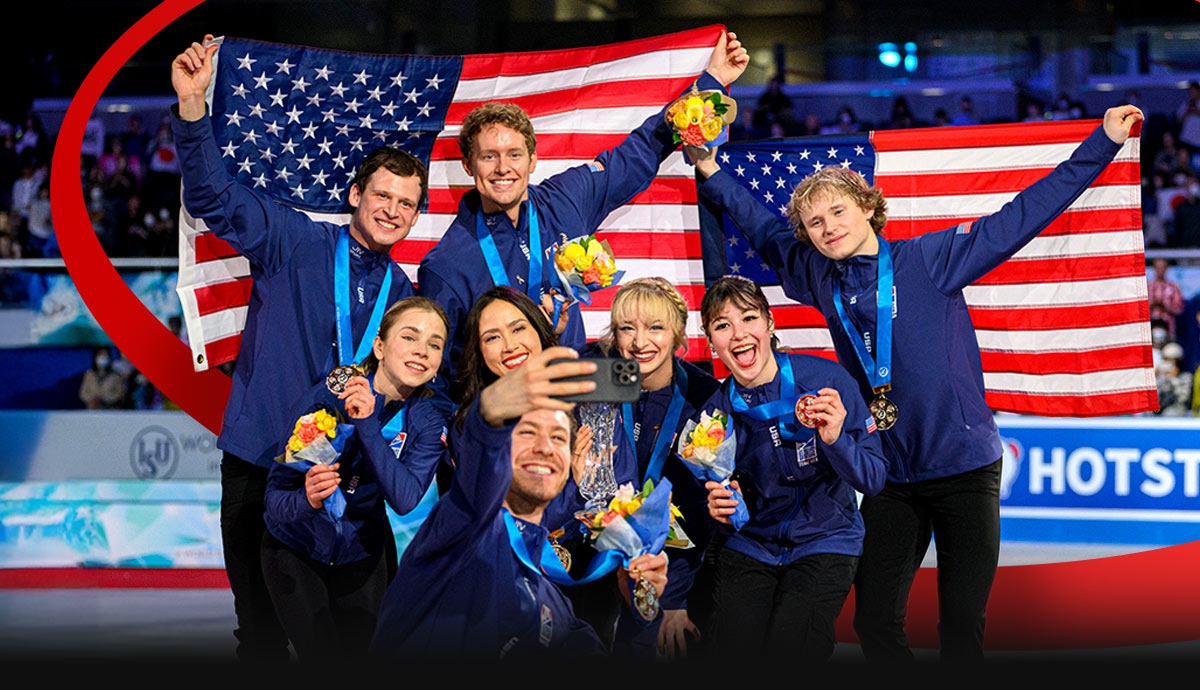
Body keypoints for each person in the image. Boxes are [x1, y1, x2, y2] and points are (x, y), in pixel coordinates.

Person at [685, 103, 1144, 661]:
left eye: (838, 212)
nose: (828, 228)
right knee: (876, 623)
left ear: (867, 208)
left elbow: (1024, 214)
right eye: (814, 223)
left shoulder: (931, 260)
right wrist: (709, 171)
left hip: (965, 471)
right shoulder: (816, 273)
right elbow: (761, 230)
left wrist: (1102, 142)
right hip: (890, 479)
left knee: (961, 627)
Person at [170, 35, 426, 660]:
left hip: (343, 479)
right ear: (355, 196)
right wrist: (193, 109)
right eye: (383, 195)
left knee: (354, 643)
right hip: (262, 465)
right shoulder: (294, 240)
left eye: (407, 204)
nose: (392, 210)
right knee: (259, 636)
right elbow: (212, 198)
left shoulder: (404, 296)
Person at [416, 30, 748, 390]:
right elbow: (439, 378)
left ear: (532, 160)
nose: (502, 169)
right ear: (469, 166)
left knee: (674, 386)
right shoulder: (446, 265)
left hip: (579, 386)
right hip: (507, 413)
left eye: (514, 155)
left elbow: (636, 154)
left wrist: (712, 82)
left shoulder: (564, 199)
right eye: (488, 157)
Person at [369, 346, 669, 660]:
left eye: (557, 437)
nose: (544, 447)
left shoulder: (555, 603)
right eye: (527, 432)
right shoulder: (461, 534)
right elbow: (479, 475)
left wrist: (642, 616)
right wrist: (491, 411)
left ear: (569, 463)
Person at [696, 275, 886, 660]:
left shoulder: (827, 382)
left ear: (770, 324)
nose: (737, 335)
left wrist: (836, 441)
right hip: (750, 546)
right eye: (722, 326)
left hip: (826, 539)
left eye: (748, 318)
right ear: (711, 343)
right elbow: (710, 508)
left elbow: (874, 477)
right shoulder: (712, 416)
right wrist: (716, 510)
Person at [542, 276, 722, 660]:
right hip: (592, 553)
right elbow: (544, 385)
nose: (640, 342)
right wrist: (553, 337)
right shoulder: (604, 372)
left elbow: (700, 517)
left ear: (677, 336)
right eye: (628, 328)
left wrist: (673, 597)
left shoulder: (702, 395)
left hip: (669, 562)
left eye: (655, 328)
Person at [262, 297, 450, 659]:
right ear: (379, 346)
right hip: (296, 548)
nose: (422, 351)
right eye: (410, 337)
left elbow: (405, 499)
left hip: (363, 552)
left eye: (435, 344)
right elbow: (274, 502)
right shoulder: (327, 398)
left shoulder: (428, 420)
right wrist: (307, 499)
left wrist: (365, 424)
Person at [1148, 257, 1185, 339]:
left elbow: (1179, 309)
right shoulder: (1147, 287)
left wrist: (1165, 304)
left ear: (1167, 268)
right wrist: (1152, 303)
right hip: (1149, 328)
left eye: (1162, 267)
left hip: (1168, 328)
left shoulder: (1174, 287)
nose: (1160, 270)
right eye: (1157, 267)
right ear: (1153, 268)